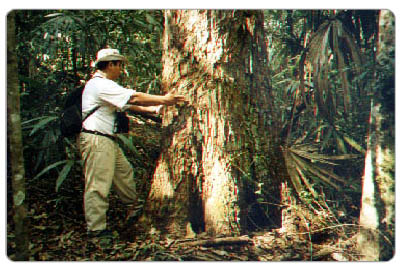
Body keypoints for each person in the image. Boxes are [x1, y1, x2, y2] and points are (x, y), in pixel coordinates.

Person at [79, 48, 185, 239]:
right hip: (97, 140)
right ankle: (96, 230)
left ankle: (134, 210)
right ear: (111, 64)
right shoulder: (99, 84)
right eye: (120, 65)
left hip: (107, 140)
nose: (121, 69)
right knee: (98, 184)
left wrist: (155, 109)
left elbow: (129, 105)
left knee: (125, 173)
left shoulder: (105, 86)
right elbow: (133, 97)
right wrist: (165, 99)